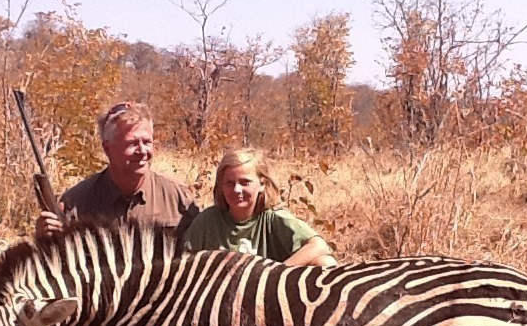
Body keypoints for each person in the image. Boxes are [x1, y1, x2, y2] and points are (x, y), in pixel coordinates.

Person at [35, 101, 198, 239]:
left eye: (147, 142)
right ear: (108, 148)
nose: (142, 150)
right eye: (132, 143)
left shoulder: (179, 198)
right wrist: (45, 238)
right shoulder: (75, 203)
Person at [183, 147, 338, 267]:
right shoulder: (206, 221)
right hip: (218, 298)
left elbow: (319, 246)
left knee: (325, 263)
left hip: (266, 296)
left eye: (244, 182)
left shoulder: (273, 218)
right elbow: (184, 262)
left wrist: (274, 274)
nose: (237, 190)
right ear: (221, 186)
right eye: (229, 183)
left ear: (262, 184)